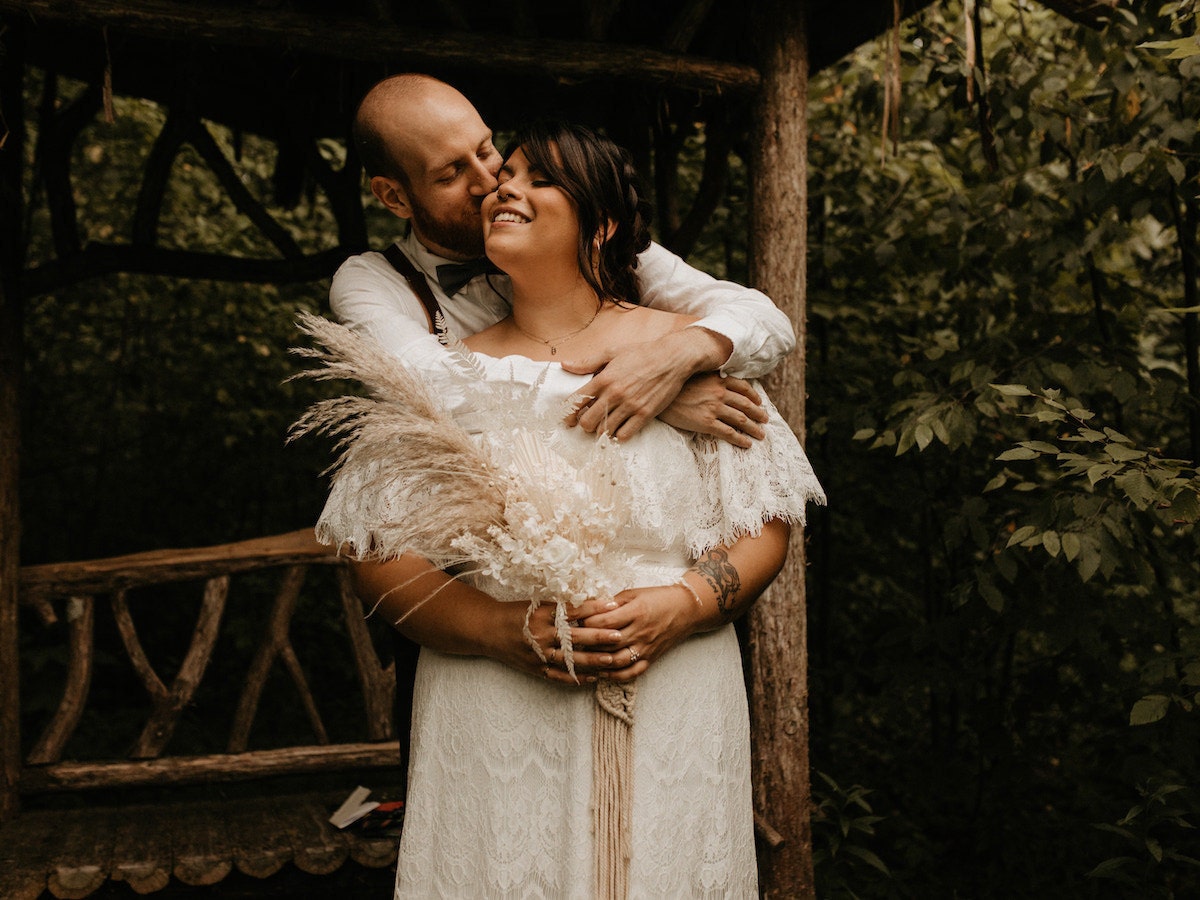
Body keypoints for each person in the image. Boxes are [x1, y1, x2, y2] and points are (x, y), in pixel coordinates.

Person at [312, 121, 825, 898]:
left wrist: (683, 603)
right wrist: (497, 630)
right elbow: (374, 551)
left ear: (604, 222)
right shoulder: (437, 373)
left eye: (534, 177)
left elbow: (767, 527)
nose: (500, 187)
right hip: (493, 698)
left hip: (674, 687)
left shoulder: (687, 355)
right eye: (498, 174)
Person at [333, 73, 799, 680]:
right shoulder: (374, 283)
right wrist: (635, 389)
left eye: (486, 150)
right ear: (394, 198)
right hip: (472, 647)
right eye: (451, 174)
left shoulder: (598, 240)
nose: (488, 184)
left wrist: (677, 356)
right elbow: (436, 390)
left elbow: (761, 319)